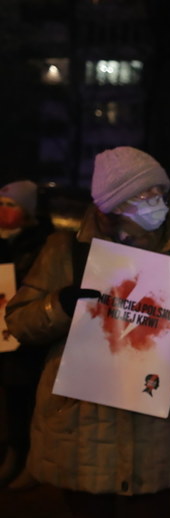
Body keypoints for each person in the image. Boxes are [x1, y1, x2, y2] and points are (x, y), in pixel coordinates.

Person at [6, 146, 170, 518]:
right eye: (144, 193)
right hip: (85, 424)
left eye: (160, 192)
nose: (156, 202)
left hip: (154, 426)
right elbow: (19, 320)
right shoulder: (67, 250)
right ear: (114, 203)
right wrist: (59, 306)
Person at [0, 180, 53, 489]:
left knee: (27, 397)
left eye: (11, 206)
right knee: (11, 398)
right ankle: (14, 452)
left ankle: (30, 459)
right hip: (4, 336)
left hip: (28, 338)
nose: (4, 212)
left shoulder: (42, 243)